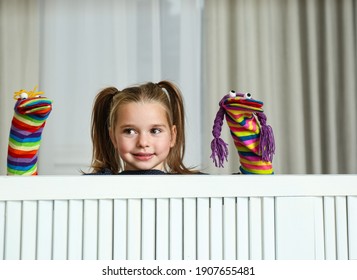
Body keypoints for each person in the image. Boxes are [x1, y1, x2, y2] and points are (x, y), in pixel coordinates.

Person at [88, 80, 199, 175]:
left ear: (172, 136)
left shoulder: (199, 187)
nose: (143, 142)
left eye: (155, 131)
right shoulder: (93, 187)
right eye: (130, 131)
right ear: (113, 137)